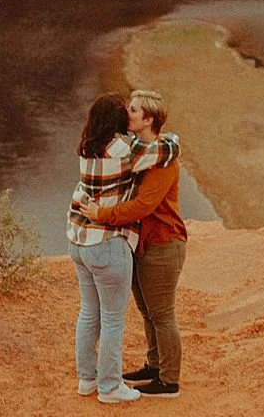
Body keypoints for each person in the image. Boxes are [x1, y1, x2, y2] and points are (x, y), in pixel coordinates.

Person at [68, 93, 180, 404]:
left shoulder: (86, 149)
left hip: (80, 242)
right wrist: (175, 141)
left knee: (89, 313)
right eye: (125, 111)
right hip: (107, 243)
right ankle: (109, 387)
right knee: (113, 318)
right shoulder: (124, 151)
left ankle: (87, 380)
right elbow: (163, 150)